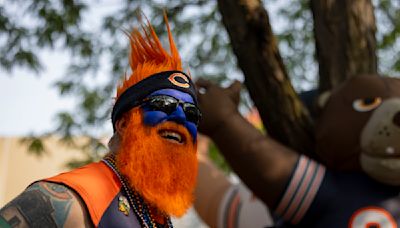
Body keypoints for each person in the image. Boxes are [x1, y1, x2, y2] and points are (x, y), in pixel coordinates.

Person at [0, 15, 201, 228]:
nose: (180, 117)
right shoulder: (77, 195)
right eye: (163, 103)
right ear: (124, 124)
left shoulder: (155, 214)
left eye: (192, 113)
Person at [194, 76, 400, 227]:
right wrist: (224, 122)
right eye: (367, 104)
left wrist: (224, 121)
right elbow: (263, 161)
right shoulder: (336, 189)